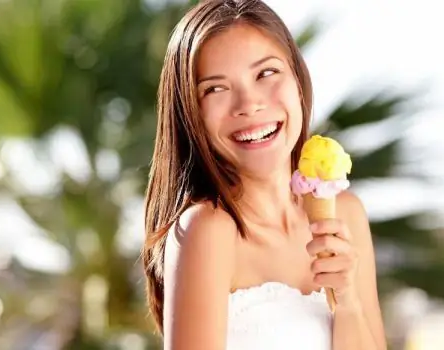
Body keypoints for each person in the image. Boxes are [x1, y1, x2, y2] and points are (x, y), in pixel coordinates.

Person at [141, 0, 387, 349]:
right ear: (189, 114)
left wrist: (347, 301)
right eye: (215, 89)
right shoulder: (207, 230)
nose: (249, 104)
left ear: (298, 78)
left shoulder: (345, 213)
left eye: (266, 73)